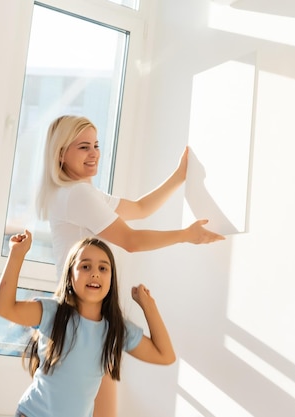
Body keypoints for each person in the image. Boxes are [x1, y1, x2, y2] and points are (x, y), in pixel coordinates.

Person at [35, 114, 225, 416]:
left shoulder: (77, 193)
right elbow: (131, 240)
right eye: (83, 147)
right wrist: (186, 235)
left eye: (96, 145)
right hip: (82, 315)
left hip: (81, 314)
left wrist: (179, 176)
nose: (94, 153)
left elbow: (139, 208)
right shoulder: (78, 195)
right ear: (61, 154)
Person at [0, 231, 175, 417]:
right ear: (70, 275)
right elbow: (3, 308)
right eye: (85, 266)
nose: (95, 273)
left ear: (111, 280)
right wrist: (17, 254)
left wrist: (149, 306)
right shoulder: (52, 312)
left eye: (103, 268)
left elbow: (165, 355)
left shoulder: (116, 329)